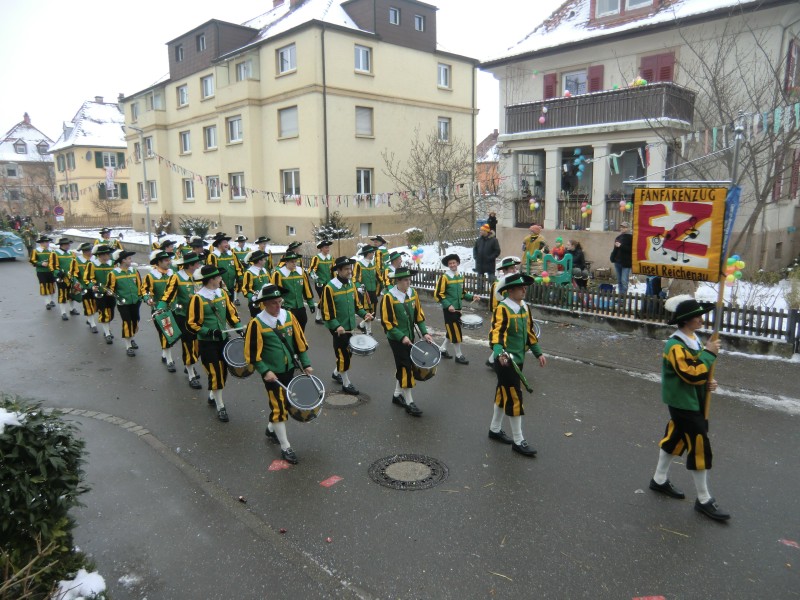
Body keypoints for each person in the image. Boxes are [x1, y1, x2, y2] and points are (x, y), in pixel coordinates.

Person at [648, 294, 729, 522]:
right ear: (685, 321)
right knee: (699, 445)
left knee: (676, 438)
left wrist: (707, 381)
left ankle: (659, 479)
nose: (702, 321)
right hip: (683, 404)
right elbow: (690, 373)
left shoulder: (694, 340)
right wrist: (710, 354)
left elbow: (698, 373)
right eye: (697, 317)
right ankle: (704, 500)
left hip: (692, 401)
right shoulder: (675, 345)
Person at [244, 283, 313, 465]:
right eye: (273, 303)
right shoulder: (257, 324)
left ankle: (271, 428)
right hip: (272, 373)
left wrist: (306, 364)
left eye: (279, 301)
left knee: (286, 401)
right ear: (264, 303)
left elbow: (299, 342)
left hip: (289, 368)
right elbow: (252, 354)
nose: (278, 306)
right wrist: (265, 370)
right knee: (279, 407)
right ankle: (286, 447)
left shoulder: (288, 316)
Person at [489, 272, 547, 457]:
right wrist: (499, 354)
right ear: (510, 290)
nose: (524, 290)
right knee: (514, 397)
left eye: (525, 288)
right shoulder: (503, 308)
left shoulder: (524, 308)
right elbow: (496, 334)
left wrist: (538, 352)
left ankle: (494, 429)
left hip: (518, 361)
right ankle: (518, 440)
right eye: (521, 288)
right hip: (505, 362)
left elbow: (530, 332)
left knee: (502, 393)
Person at [187, 265, 243, 422]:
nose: (221, 279)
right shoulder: (198, 298)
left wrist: (239, 329)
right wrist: (209, 331)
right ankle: (221, 406)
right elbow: (191, 323)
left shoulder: (223, 293)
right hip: (207, 343)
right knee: (215, 373)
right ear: (211, 279)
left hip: (223, 341)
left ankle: (213, 395)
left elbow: (231, 315)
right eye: (218, 277)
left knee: (223, 373)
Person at [380, 267, 434, 417]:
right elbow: (387, 323)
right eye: (405, 280)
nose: (408, 282)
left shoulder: (413, 293)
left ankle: (397, 395)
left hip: (410, 337)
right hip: (397, 339)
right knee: (406, 366)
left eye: (409, 279)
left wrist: (425, 333)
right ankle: (409, 402)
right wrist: (401, 336)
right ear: (397, 281)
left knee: (404, 365)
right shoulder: (389, 297)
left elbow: (419, 316)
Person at [321, 256, 374, 395]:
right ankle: (346, 382)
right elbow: (327, 312)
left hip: (350, 327)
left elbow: (357, 306)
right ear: (338, 271)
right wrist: (336, 326)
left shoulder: (351, 284)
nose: (349, 271)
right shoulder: (330, 287)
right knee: (343, 354)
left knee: (348, 352)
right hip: (338, 329)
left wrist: (365, 315)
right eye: (346, 269)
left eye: (350, 268)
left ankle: (336, 373)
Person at [159, 252, 204, 389]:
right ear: (190, 265)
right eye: (197, 263)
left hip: (200, 317)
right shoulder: (176, 277)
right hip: (183, 316)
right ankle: (190, 372)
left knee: (198, 345)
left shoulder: (200, 276)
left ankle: (189, 364)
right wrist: (160, 308)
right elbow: (168, 295)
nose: (199, 265)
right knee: (188, 345)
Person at [433, 253, 479, 365]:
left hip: (458, 309)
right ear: (448, 265)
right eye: (450, 263)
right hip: (449, 310)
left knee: (452, 331)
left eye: (454, 262)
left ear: (457, 263)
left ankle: (442, 349)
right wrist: (448, 305)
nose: (452, 264)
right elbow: (438, 294)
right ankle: (458, 355)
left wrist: (472, 297)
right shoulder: (444, 277)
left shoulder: (459, 276)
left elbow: (462, 294)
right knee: (456, 332)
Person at [143, 250, 177, 369]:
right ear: (159, 262)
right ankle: (169, 359)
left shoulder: (173, 274)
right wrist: (148, 299)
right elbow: (146, 291)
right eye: (166, 260)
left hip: (174, 309)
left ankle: (164, 354)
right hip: (159, 309)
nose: (169, 262)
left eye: (169, 260)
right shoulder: (151, 276)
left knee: (172, 334)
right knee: (165, 334)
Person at [106, 250, 142, 357]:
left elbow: (140, 285)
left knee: (135, 320)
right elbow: (110, 289)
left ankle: (131, 338)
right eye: (129, 258)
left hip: (135, 301)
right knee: (127, 321)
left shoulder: (134, 271)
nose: (131, 260)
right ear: (123, 260)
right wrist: (110, 292)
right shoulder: (114, 273)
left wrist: (140, 297)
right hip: (123, 303)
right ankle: (128, 346)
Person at [486, 256, 521, 367]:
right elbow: (494, 304)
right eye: (511, 269)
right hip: (502, 317)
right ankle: (497, 361)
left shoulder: (514, 282)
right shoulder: (497, 284)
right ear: (504, 270)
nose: (514, 271)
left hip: (513, 315)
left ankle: (492, 360)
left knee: (509, 338)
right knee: (502, 337)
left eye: (515, 268)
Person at [271, 251, 315, 331]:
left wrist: (311, 303)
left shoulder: (301, 272)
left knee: (302, 326)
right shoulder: (279, 274)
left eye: (295, 261)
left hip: (300, 307)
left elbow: (307, 289)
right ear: (286, 262)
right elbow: (276, 292)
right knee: (290, 331)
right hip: (287, 308)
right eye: (292, 262)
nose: (294, 263)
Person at [50, 237, 81, 320]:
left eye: (68, 244)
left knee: (72, 293)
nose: (68, 246)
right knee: (62, 294)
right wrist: (58, 273)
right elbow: (53, 266)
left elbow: (75, 265)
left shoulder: (71, 253)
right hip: (62, 277)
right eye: (66, 244)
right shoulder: (55, 253)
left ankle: (72, 309)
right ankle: (63, 312)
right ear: (61, 245)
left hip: (71, 277)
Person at [353, 245, 381, 334]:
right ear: (368, 253)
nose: (373, 254)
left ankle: (361, 325)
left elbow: (378, 276)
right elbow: (355, 278)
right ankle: (368, 331)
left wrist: (383, 284)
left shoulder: (373, 264)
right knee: (367, 310)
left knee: (373, 312)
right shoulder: (359, 264)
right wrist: (359, 287)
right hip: (364, 292)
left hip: (373, 291)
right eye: (372, 252)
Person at [206, 232, 243, 300]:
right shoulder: (213, 256)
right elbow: (213, 273)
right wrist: (222, 285)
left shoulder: (232, 255)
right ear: (219, 245)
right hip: (219, 288)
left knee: (230, 305)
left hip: (231, 287)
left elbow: (238, 268)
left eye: (227, 242)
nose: (227, 245)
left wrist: (240, 278)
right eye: (224, 243)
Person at [72, 242, 99, 333]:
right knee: (88, 305)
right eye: (87, 251)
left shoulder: (95, 259)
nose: (89, 252)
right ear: (83, 251)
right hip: (84, 286)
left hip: (95, 286)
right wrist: (78, 285)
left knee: (95, 305)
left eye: (90, 250)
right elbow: (74, 274)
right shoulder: (77, 260)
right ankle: (92, 323)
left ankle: (89, 319)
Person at [308, 240, 334, 325]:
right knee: (324, 299)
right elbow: (311, 270)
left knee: (325, 300)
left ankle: (318, 317)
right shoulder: (317, 258)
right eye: (326, 247)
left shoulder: (331, 258)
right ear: (321, 249)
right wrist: (316, 279)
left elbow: (333, 270)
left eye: (328, 247)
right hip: (320, 283)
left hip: (329, 283)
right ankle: (326, 316)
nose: (328, 249)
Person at [240, 250, 272, 317]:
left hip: (267, 301)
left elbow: (270, 283)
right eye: (264, 260)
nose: (265, 261)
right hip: (256, 303)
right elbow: (245, 289)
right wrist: (254, 297)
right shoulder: (249, 273)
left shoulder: (264, 270)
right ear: (259, 261)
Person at [30, 235, 56, 310]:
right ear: (41, 243)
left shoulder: (52, 251)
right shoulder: (36, 251)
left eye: (48, 242)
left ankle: (51, 300)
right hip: (41, 271)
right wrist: (40, 264)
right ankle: (47, 302)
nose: (47, 243)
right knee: (44, 286)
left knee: (52, 285)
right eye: (45, 242)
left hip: (51, 271)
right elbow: (32, 260)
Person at [473, 223, 501, 292]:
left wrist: (490, 258)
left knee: (491, 279)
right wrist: (475, 256)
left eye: (482, 230)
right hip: (480, 263)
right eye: (480, 231)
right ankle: (480, 291)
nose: (480, 232)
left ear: (486, 231)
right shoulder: (479, 240)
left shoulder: (494, 240)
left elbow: (497, 251)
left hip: (489, 264)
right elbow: (475, 249)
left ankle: (493, 291)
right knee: (480, 279)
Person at [610, 221, 633, 296]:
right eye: (621, 227)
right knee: (619, 281)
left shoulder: (631, 238)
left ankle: (624, 297)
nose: (622, 228)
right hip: (618, 262)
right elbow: (615, 249)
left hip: (626, 263)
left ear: (628, 228)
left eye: (624, 227)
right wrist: (612, 257)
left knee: (624, 281)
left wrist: (621, 246)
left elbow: (632, 250)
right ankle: (620, 296)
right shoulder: (618, 237)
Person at [232, 235, 250, 305]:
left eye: (243, 242)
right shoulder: (234, 250)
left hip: (246, 269)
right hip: (238, 269)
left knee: (248, 284)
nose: (242, 243)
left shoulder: (248, 249)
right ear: (238, 242)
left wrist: (247, 263)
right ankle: (236, 299)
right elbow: (233, 260)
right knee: (238, 284)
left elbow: (251, 259)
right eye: (241, 242)